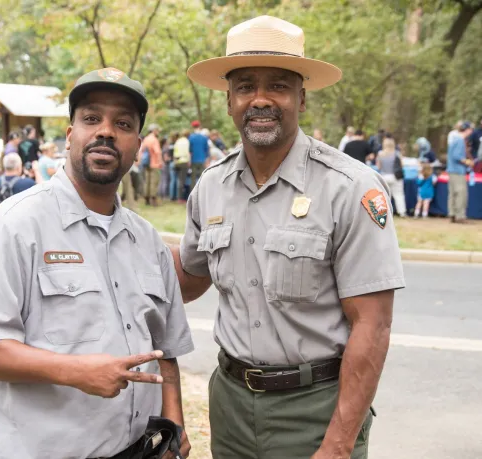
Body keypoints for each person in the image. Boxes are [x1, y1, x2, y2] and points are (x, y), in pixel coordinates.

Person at [177, 15, 405, 459]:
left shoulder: (351, 187)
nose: (260, 99)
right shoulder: (212, 185)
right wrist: (113, 235)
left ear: (302, 97)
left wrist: (338, 444)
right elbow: (188, 277)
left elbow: (373, 326)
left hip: (317, 412)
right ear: (229, 100)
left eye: (277, 85)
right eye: (245, 86)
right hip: (231, 409)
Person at [0, 67, 193, 459]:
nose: (106, 131)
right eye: (91, 118)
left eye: (123, 123)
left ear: (137, 145)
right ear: (69, 135)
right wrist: (74, 371)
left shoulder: (148, 242)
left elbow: (166, 350)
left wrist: (174, 423)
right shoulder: (17, 224)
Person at [446, 121, 474, 224]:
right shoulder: (460, 140)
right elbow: (457, 156)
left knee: (452, 193)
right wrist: (468, 162)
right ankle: (460, 216)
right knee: (461, 193)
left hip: (452, 170)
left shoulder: (454, 139)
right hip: (458, 170)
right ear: (467, 130)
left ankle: (452, 214)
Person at [376, 137, 407, 217]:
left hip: (384, 176)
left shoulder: (380, 154)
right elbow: (402, 165)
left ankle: (383, 212)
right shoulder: (397, 153)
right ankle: (402, 212)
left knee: (383, 195)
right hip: (395, 176)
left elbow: (378, 166)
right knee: (399, 195)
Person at [140, 123, 163, 206]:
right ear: (154, 130)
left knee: (147, 181)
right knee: (154, 181)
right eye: (157, 130)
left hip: (146, 163)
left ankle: (146, 198)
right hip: (154, 164)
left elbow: (142, 150)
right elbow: (157, 152)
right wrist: (160, 162)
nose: (158, 132)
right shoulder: (154, 139)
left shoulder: (146, 139)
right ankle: (153, 199)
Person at [188, 120, 209, 191]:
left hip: (194, 160)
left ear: (192, 127)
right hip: (202, 159)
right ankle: (201, 192)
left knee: (193, 178)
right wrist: (207, 159)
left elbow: (189, 150)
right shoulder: (204, 138)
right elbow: (207, 150)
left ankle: (192, 193)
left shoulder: (190, 137)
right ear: (199, 126)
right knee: (202, 178)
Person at [173, 130, 191, 202]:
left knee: (178, 180)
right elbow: (187, 152)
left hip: (177, 161)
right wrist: (189, 161)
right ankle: (180, 198)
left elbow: (175, 151)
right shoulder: (187, 141)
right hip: (184, 161)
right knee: (182, 181)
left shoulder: (178, 141)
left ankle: (177, 196)